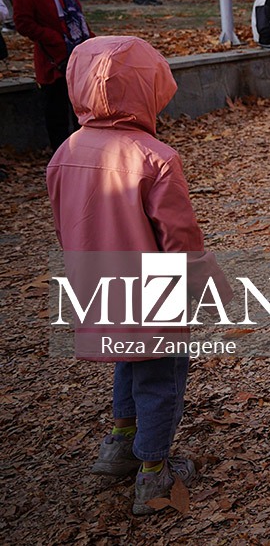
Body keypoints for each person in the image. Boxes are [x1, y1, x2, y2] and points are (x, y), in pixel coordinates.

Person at [46, 35, 231, 516]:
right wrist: (208, 288)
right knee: (160, 374)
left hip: (96, 286)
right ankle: (153, 471)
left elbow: (64, 223)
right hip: (153, 290)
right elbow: (180, 237)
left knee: (128, 360)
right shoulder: (155, 157)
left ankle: (119, 444)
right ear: (148, 89)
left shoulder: (65, 152)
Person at [12, 0, 92, 149]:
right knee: (57, 112)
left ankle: (86, 153)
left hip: (77, 54)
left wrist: (91, 41)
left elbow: (76, 16)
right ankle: (62, 157)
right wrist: (54, 39)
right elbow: (23, 23)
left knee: (82, 110)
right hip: (53, 59)